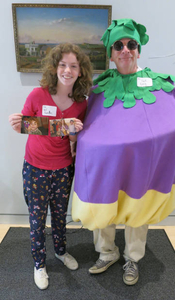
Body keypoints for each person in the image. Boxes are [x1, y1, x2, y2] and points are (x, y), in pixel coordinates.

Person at [71, 19, 175, 285]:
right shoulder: (97, 88)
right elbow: (76, 117)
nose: (125, 50)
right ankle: (106, 252)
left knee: (139, 209)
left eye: (131, 44)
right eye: (119, 45)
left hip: (142, 166)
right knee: (104, 207)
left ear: (139, 49)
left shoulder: (160, 82)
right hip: (107, 166)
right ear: (111, 54)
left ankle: (132, 258)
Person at [9, 43, 92, 290]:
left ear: (80, 71)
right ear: (55, 67)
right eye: (63, 64)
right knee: (36, 219)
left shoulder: (81, 102)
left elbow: (74, 138)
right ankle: (39, 263)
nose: (67, 70)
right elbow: (24, 125)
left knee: (59, 216)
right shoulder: (37, 95)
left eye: (73, 66)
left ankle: (61, 251)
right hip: (35, 167)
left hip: (63, 168)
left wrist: (74, 133)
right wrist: (19, 122)